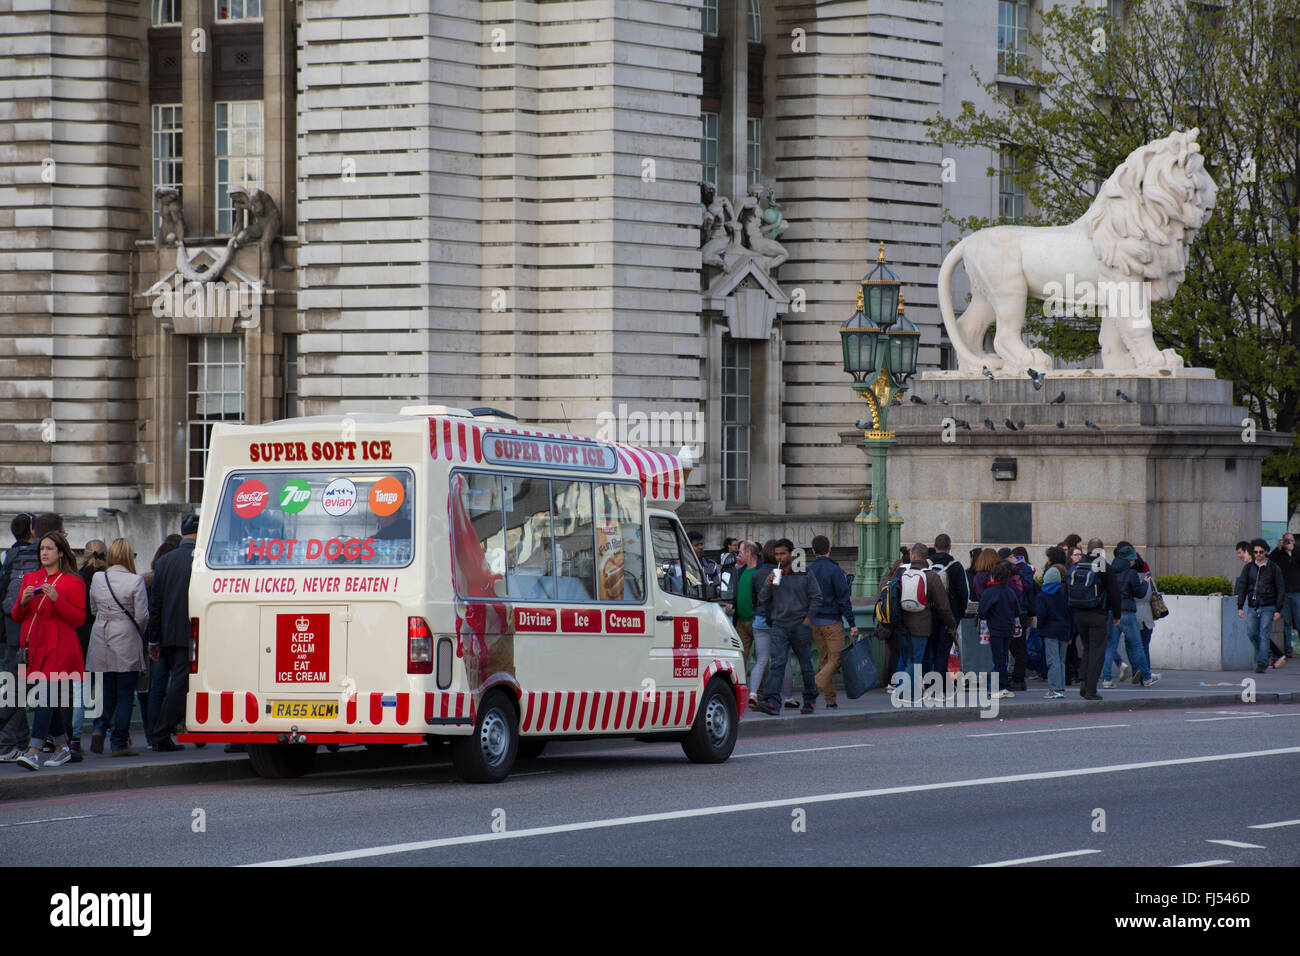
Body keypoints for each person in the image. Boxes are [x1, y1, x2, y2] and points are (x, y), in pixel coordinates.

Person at [10, 531, 86, 770]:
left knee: (47, 696)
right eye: (42, 548)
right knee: (47, 699)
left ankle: (33, 751)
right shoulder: (31, 578)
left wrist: (57, 600)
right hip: (36, 647)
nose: (44, 552)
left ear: (61, 552)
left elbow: (79, 619)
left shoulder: (73, 581)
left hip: (60, 647)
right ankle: (63, 747)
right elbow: (16, 615)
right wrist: (22, 601)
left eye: (50, 548)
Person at [87, 538, 148, 757]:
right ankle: (119, 742)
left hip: (101, 634)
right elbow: (141, 616)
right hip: (125, 637)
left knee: (108, 691)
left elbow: (94, 609)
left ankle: (99, 728)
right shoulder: (136, 581)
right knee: (125, 693)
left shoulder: (98, 577)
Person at [750, 538, 821, 715]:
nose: (779, 557)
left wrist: (807, 619)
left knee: (806, 665)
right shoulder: (775, 574)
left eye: (782, 554)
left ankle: (809, 700)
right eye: (777, 554)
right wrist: (767, 585)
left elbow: (816, 596)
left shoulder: (804, 572)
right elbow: (763, 599)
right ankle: (773, 702)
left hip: (799, 625)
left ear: (791, 553)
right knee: (777, 664)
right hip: (779, 625)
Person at [148, 514, 199, 751]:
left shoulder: (164, 562)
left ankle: (161, 731)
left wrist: (154, 639)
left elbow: (155, 604)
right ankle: (161, 732)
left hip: (167, 632)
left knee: (166, 685)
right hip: (190, 633)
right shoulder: (201, 560)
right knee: (180, 685)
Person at [897, 542, 956, 704]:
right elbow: (943, 607)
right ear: (926, 557)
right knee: (916, 660)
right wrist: (951, 624)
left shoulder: (901, 572)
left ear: (913, 556)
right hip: (922, 626)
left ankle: (913, 691)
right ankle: (905, 694)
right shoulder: (932, 577)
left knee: (910, 658)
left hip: (901, 624)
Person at [0, 514, 38, 761]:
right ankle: (6, 745)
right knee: (20, 690)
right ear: (32, 532)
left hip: (9, 630)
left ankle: (20, 741)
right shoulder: (40, 558)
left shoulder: (6, 558)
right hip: (32, 629)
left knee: (14, 686)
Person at [140, 533, 181, 745]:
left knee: (157, 686)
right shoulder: (179, 575)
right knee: (178, 684)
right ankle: (168, 727)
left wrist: (152, 640)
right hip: (175, 636)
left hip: (157, 636)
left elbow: (152, 611)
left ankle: (152, 731)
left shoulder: (147, 579)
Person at [68, 539, 107, 760]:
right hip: (101, 635)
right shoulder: (106, 577)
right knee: (103, 686)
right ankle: (101, 727)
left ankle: (74, 736)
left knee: (79, 689)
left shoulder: (77, 578)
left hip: (78, 635)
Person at [808, 535, 857, 710]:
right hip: (832, 621)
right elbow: (844, 599)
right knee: (835, 660)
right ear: (829, 549)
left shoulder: (809, 570)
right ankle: (814, 685)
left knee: (824, 660)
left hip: (815, 621)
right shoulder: (835, 571)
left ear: (813, 551)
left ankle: (830, 700)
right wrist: (851, 623)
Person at [1070, 540, 1122, 700]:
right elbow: (1114, 593)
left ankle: (1084, 682)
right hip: (1098, 613)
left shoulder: (1080, 564)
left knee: (1087, 649)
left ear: (1087, 549)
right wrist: (1116, 615)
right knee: (1097, 651)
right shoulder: (1102, 565)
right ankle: (1091, 690)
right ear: (1102, 550)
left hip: (1079, 613)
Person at [1236, 538, 1286, 674]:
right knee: (1252, 633)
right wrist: (1240, 606)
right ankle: (1264, 655)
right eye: (1256, 552)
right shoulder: (1248, 568)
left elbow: (1280, 589)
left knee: (1264, 634)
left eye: (1261, 552)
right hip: (1253, 605)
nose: (1258, 554)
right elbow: (1242, 587)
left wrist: (1278, 609)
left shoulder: (1274, 568)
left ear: (1266, 552)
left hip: (1268, 606)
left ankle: (1262, 661)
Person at [927, 533, 969, 679]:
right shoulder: (956, 567)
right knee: (943, 651)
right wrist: (958, 615)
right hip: (949, 616)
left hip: (929, 615)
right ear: (950, 547)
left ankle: (929, 683)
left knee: (930, 649)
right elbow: (963, 594)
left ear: (934, 547)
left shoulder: (927, 566)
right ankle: (940, 685)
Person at [977, 561, 1020, 699]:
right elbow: (1017, 611)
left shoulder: (989, 593)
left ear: (993, 577)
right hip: (1008, 627)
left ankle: (1000, 686)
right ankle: (1003, 685)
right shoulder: (1010, 592)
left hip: (995, 628)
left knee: (998, 658)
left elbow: (982, 613)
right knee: (1003, 657)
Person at [1035, 547, 1072, 699]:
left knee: (1052, 661)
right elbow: (1070, 614)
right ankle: (1061, 687)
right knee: (1061, 661)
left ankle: (1054, 689)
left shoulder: (1043, 596)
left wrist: (1040, 628)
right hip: (1064, 630)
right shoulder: (1064, 593)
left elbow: (1041, 615)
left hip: (1049, 631)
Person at [1269, 533, 1299, 657]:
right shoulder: (1279, 554)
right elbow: (1270, 561)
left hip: (1297, 592)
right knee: (1286, 621)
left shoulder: (1297, 552)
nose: (1288, 543)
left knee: (1298, 621)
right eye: (1286, 540)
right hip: (1285, 592)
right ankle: (1288, 649)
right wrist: (1278, 548)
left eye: (1291, 540)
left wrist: (1294, 550)